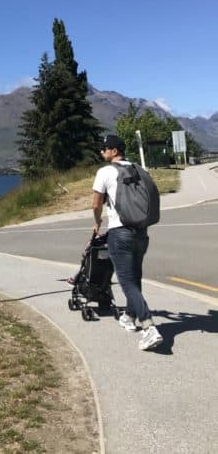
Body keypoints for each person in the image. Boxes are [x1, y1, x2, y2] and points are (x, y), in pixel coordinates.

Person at [92, 134, 163, 351]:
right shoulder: (139, 169)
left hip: (120, 232)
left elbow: (96, 203)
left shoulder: (105, 172)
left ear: (114, 151)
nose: (102, 152)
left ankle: (149, 327)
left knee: (127, 282)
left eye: (105, 148)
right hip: (141, 232)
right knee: (135, 277)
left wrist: (97, 222)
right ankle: (129, 316)